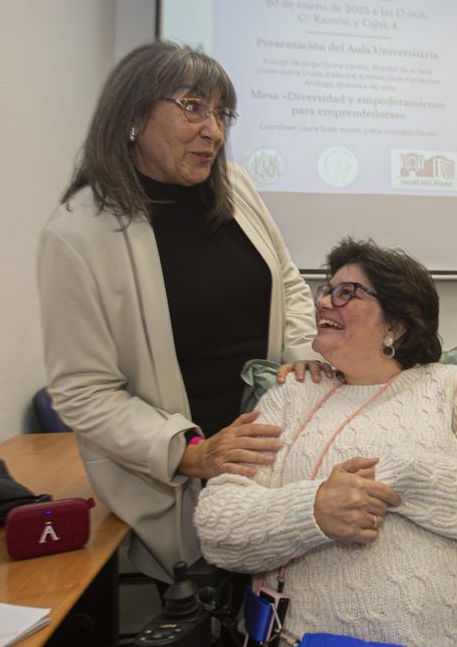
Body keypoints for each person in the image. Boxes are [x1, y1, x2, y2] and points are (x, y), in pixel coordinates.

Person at [36, 41, 322, 583]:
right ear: (133, 116)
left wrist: (303, 354)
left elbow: (286, 279)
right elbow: (83, 391)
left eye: (221, 112)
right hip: (182, 476)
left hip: (271, 453)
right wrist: (188, 452)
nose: (213, 129)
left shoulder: (236, 187)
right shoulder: (76, 235)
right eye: (193, 107)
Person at [195, 238, 457, 646]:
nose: (324, 302)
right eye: (326, 290)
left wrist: (401, 477)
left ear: (396, 325)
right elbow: (217, 526)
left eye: (347, 293)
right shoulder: (291, 396)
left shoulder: (453, 388)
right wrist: (313, 510)